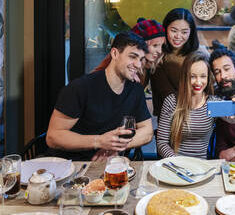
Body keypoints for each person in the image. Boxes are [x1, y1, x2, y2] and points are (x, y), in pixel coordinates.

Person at [46, 32, 154, 161]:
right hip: (70, 164)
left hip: (108, 164)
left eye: (141, 60)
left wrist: (114, 146)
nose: (138, 65)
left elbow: (147, 132)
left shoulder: (135, 89)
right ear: (114, 54)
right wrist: (99, 141)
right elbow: (53, 137)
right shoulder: (80, 88)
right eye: (133, 57)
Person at [157, 51, 235, 159]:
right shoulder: (171, 102)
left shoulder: (213, 103)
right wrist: (177, 162)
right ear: (185, 77)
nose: (198, 82)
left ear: (208, 78)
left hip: (201, 167)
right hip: (173, 164)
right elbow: (162, 143)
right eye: (193, 76)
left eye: (203, 76)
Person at [150, 8, 200, 117]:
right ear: (165, 29)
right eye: (173, 30)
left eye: (184, 32)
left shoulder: (199, 55)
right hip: (169, 118)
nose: (178, 36)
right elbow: (166, 95)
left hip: (198, 116)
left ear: (191, 32)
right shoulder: (158, 56)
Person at [93, 18, 165, 88]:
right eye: (155, 45)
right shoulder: (120, 59)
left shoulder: (150, 64)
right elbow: (95, 79)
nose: (160, 51)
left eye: (162, 46)